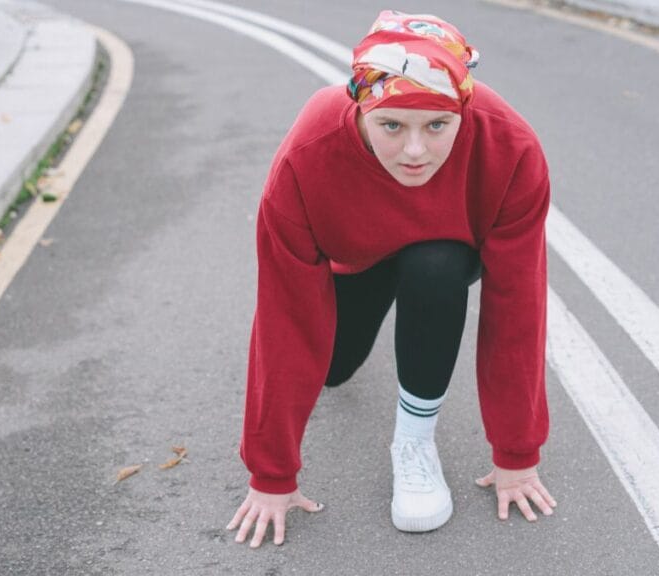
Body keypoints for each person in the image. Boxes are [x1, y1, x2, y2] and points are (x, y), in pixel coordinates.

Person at [226, 10, 557, 548]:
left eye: (436, 125)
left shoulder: (511, 149)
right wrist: (272, 475)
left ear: (463, 111)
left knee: (436, 266)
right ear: (361, 108)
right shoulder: (305, 160)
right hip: (353, 258)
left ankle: (414, 444)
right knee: (329, 371)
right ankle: (372, 315)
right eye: (391, 125)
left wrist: (516, 455)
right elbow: (283, 319)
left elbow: (518, 309)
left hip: (442, 250)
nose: (415, 151)